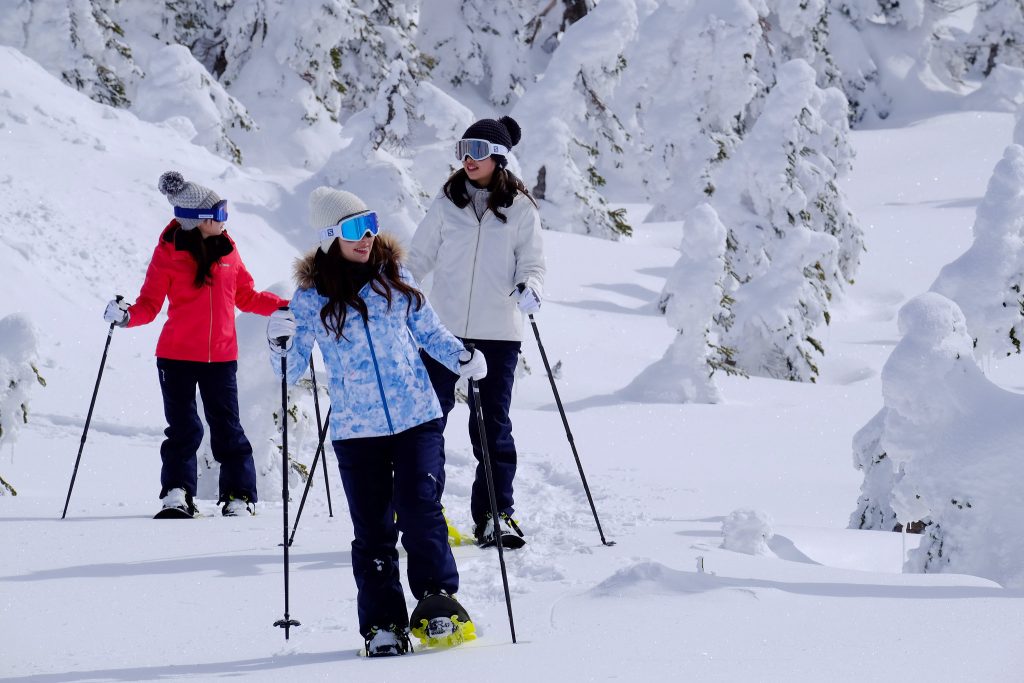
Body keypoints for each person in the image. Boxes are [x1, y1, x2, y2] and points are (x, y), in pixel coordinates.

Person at [266, 187, 485, 657]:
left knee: (420, 508)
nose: (366, 237)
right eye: (352, 229)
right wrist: (279, 345)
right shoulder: (310, 299)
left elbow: (428, 330)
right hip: (356, 429)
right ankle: (383, 625)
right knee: (373, 530)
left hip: (416, 415)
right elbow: (293, 366)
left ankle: (436, 600)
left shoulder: (394, 277)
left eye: (370, 224)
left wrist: (463, 357)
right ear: (330, 237)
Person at [102, 171, 288, 518]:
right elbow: (148, 305)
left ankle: (239, 496)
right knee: (184, 429)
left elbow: (246, 296)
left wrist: (285, 307)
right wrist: (126, 316)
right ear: (197, 221)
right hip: (175, 357)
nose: (224, 220)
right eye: (218, 214)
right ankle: (177, 493)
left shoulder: (228, 250)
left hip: (221, 358)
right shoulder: (168, 253)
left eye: (224, 211)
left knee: (227, 428)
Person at [408, 115, 546, 549]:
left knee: (491, 427)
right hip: (443, 333)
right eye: (464, 149)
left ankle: (494, 515)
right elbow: (418, 258)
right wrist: (396, 290)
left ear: (499, 157)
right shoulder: (446, 202)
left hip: (498, 333)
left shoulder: (521, 209)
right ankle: (423, 509)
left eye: (479, 151)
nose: (469, 159)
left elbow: (533, 264)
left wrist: (532, 288)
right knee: (430, 420)